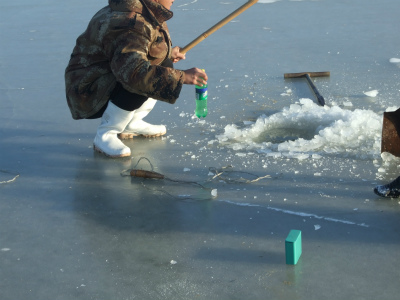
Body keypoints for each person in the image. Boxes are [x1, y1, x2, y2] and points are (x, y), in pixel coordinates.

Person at [65, 0, 208, 157]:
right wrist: (181, 77)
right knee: (141, 79)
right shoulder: (130, 22)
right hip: (87, 91)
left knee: (162, 63)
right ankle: (106, 133)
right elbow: (134, 73)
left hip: (107, 74)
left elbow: (137, 48)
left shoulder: (143, 10)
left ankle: (131, 122)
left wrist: (166, 53)